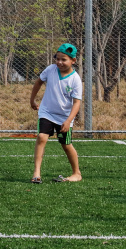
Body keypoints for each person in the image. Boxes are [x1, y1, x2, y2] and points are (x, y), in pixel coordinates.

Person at [29, 44, 83, 184]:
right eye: (57, 59)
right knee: (41, 137)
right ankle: (36, 173)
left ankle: (76, 173)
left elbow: (77, 103)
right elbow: (38, 82)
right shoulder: (51, 70)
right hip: (46, 112)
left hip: (64, 117)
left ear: (73, 61)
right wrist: (32, 99)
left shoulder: (75, 79)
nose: (59, 62)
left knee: (66, 144)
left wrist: (68, 120)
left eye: (63, 59)